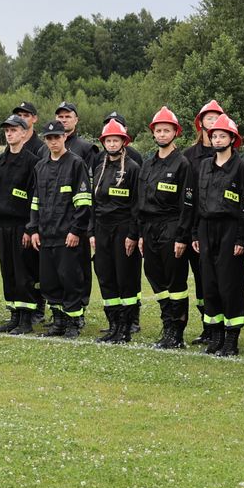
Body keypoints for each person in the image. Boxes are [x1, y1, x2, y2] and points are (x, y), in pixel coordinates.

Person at [188, 111, 244, 355]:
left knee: (230, 285)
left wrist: (241, 238)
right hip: (205, 228)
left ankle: (231, 338)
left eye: (223, 136)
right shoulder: (203, 166)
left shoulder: (241, 168)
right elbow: (194, 202)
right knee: (210, 284)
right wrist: (194, 233)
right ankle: (215, 336)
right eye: (214, 136)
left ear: (232, 139)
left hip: (230, 229)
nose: (218, 140)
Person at [135, 107, 195, 349]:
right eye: (158, 130)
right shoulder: (148, 165)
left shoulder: (182, 164)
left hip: (172, 227)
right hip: (149, 228)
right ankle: (166, 322)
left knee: (175, 282)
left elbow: (187, 205)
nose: (162, 134)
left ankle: (176, 331)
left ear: (175, 133)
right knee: (155, 278)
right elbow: (140, 201)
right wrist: (140, 233)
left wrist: (182, 236)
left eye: (166, 130)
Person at [29, 120, 93, 337]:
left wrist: (76, 230)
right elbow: (35, 201)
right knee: (49, 281)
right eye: (49, 138)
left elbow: (83, 201)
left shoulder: (76, 164)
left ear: (65, 137)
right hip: (46, 235)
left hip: (68, 236)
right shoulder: (40, 166)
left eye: (57, 137)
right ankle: (58, 322)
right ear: (45, 140)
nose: (53, 141)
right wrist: (34, 229)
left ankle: (73, 323)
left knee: (71, 279)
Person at [90, 116, 143, 342]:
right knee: (105, 276)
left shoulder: (132, 168)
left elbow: (137, 205)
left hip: (123, 229)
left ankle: (126, 326)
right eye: (108, 141)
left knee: (125, 278)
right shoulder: (99, 166)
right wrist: (91, 232)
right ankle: (113, 325)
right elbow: (94, 203)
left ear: (124, 142)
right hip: (102, 229)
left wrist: (133, 234)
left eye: (116, 140)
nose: (112, 144)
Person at [0, 114, 41, 333]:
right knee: (8, 271)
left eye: (13, 130)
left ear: (23, 132)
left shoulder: (32, 162)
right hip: (2, 226)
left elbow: (34, 198)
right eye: (7, 130)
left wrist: (31, 228)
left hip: (22, 227)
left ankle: (26, 318)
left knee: (24, 272)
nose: (9, 133)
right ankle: (13, 316)